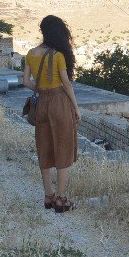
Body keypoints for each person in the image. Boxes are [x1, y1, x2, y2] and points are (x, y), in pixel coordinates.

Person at [23, 15, 82, 213]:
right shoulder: (57, 56)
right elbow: (66, 85)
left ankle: (48, 196)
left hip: (42, 104)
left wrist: (39, 90)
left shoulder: (31, 53)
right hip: (59, 103)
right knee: (63, 148)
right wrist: (76, 108)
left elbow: (25, 81)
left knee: (45, 148)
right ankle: (61, 199)